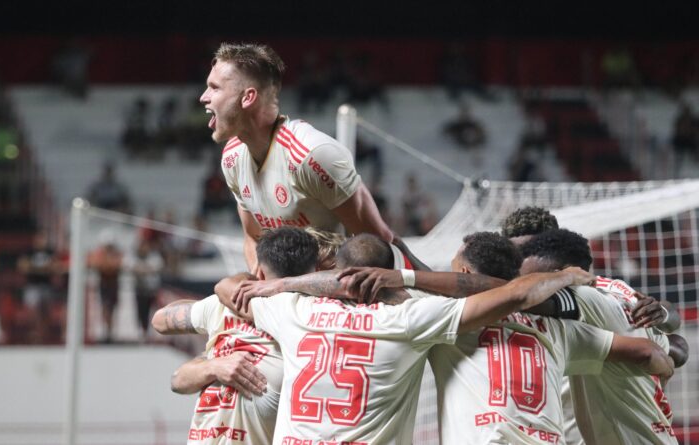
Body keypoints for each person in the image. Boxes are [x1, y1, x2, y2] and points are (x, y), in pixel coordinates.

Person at [232, 233, 608, 444]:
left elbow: (226, 287)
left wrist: (284, 284)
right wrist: (567, 278)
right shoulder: (416, 316)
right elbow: (647, 353)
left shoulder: (292, 310)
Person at [199, 42, 393, 271]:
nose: (203, 97)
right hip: (284, 292)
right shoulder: (232, 158)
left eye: (214, 88)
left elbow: (378, 247)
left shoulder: (311, 155)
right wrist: (261, 286)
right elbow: (253, 238)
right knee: (184, 305)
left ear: (248, 97)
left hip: (338, 288)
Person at [151, 227, 321, 444]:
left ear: (259, 271)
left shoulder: (229, 304)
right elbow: (176, 379)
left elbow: (161, 320)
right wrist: (213, 366)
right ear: (314, 273)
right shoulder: (310, 320)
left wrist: (237, 281)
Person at [520, 229, 686, 445]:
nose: (518, 279)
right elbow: (676, 344)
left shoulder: (584, 297)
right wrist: (666, 317)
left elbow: (522, 297)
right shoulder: (618, 291)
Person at [87, 230, 124, 342]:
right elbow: (96, 264)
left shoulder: (117, 254)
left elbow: (115, 266)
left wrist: (107, 266)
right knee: (105, 308)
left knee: (112, 309)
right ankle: (106, 331)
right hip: (104, 285)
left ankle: (110, 332)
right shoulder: (100, 253)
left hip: (113, 285)